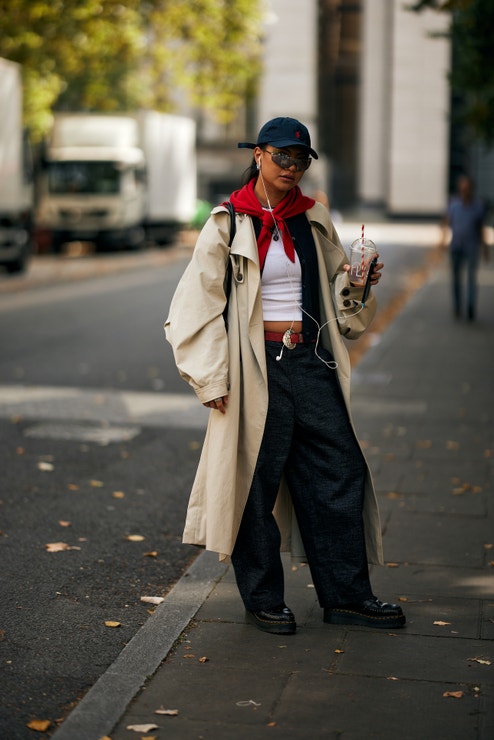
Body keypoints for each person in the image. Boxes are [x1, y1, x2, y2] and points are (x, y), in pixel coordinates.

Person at [165, 117, 405, 634]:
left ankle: (347, 597)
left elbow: (344, 304)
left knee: (340, 472)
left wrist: (359, 284)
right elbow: (193, 307)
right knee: (254, 485)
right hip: (256, 370)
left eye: (301, 159)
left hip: (311, 363)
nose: (292, 168)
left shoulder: (314, 218)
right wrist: (211, 378)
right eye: (282, 157)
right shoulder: (228, 221)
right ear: (258, 155)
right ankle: (263, 599)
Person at [440, 174, 489, 321]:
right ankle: (457, 306)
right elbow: (447, 223)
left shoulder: (478, 206)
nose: (464, 191)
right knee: (456, 278)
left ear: (471, 189)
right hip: (456, 246)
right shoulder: (454, 204)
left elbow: (481, 228)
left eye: (467, 188)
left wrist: (485, 248)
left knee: (471, 278)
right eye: (462, 188)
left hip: (472, 246)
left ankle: (470, 306)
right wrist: (442, 242)